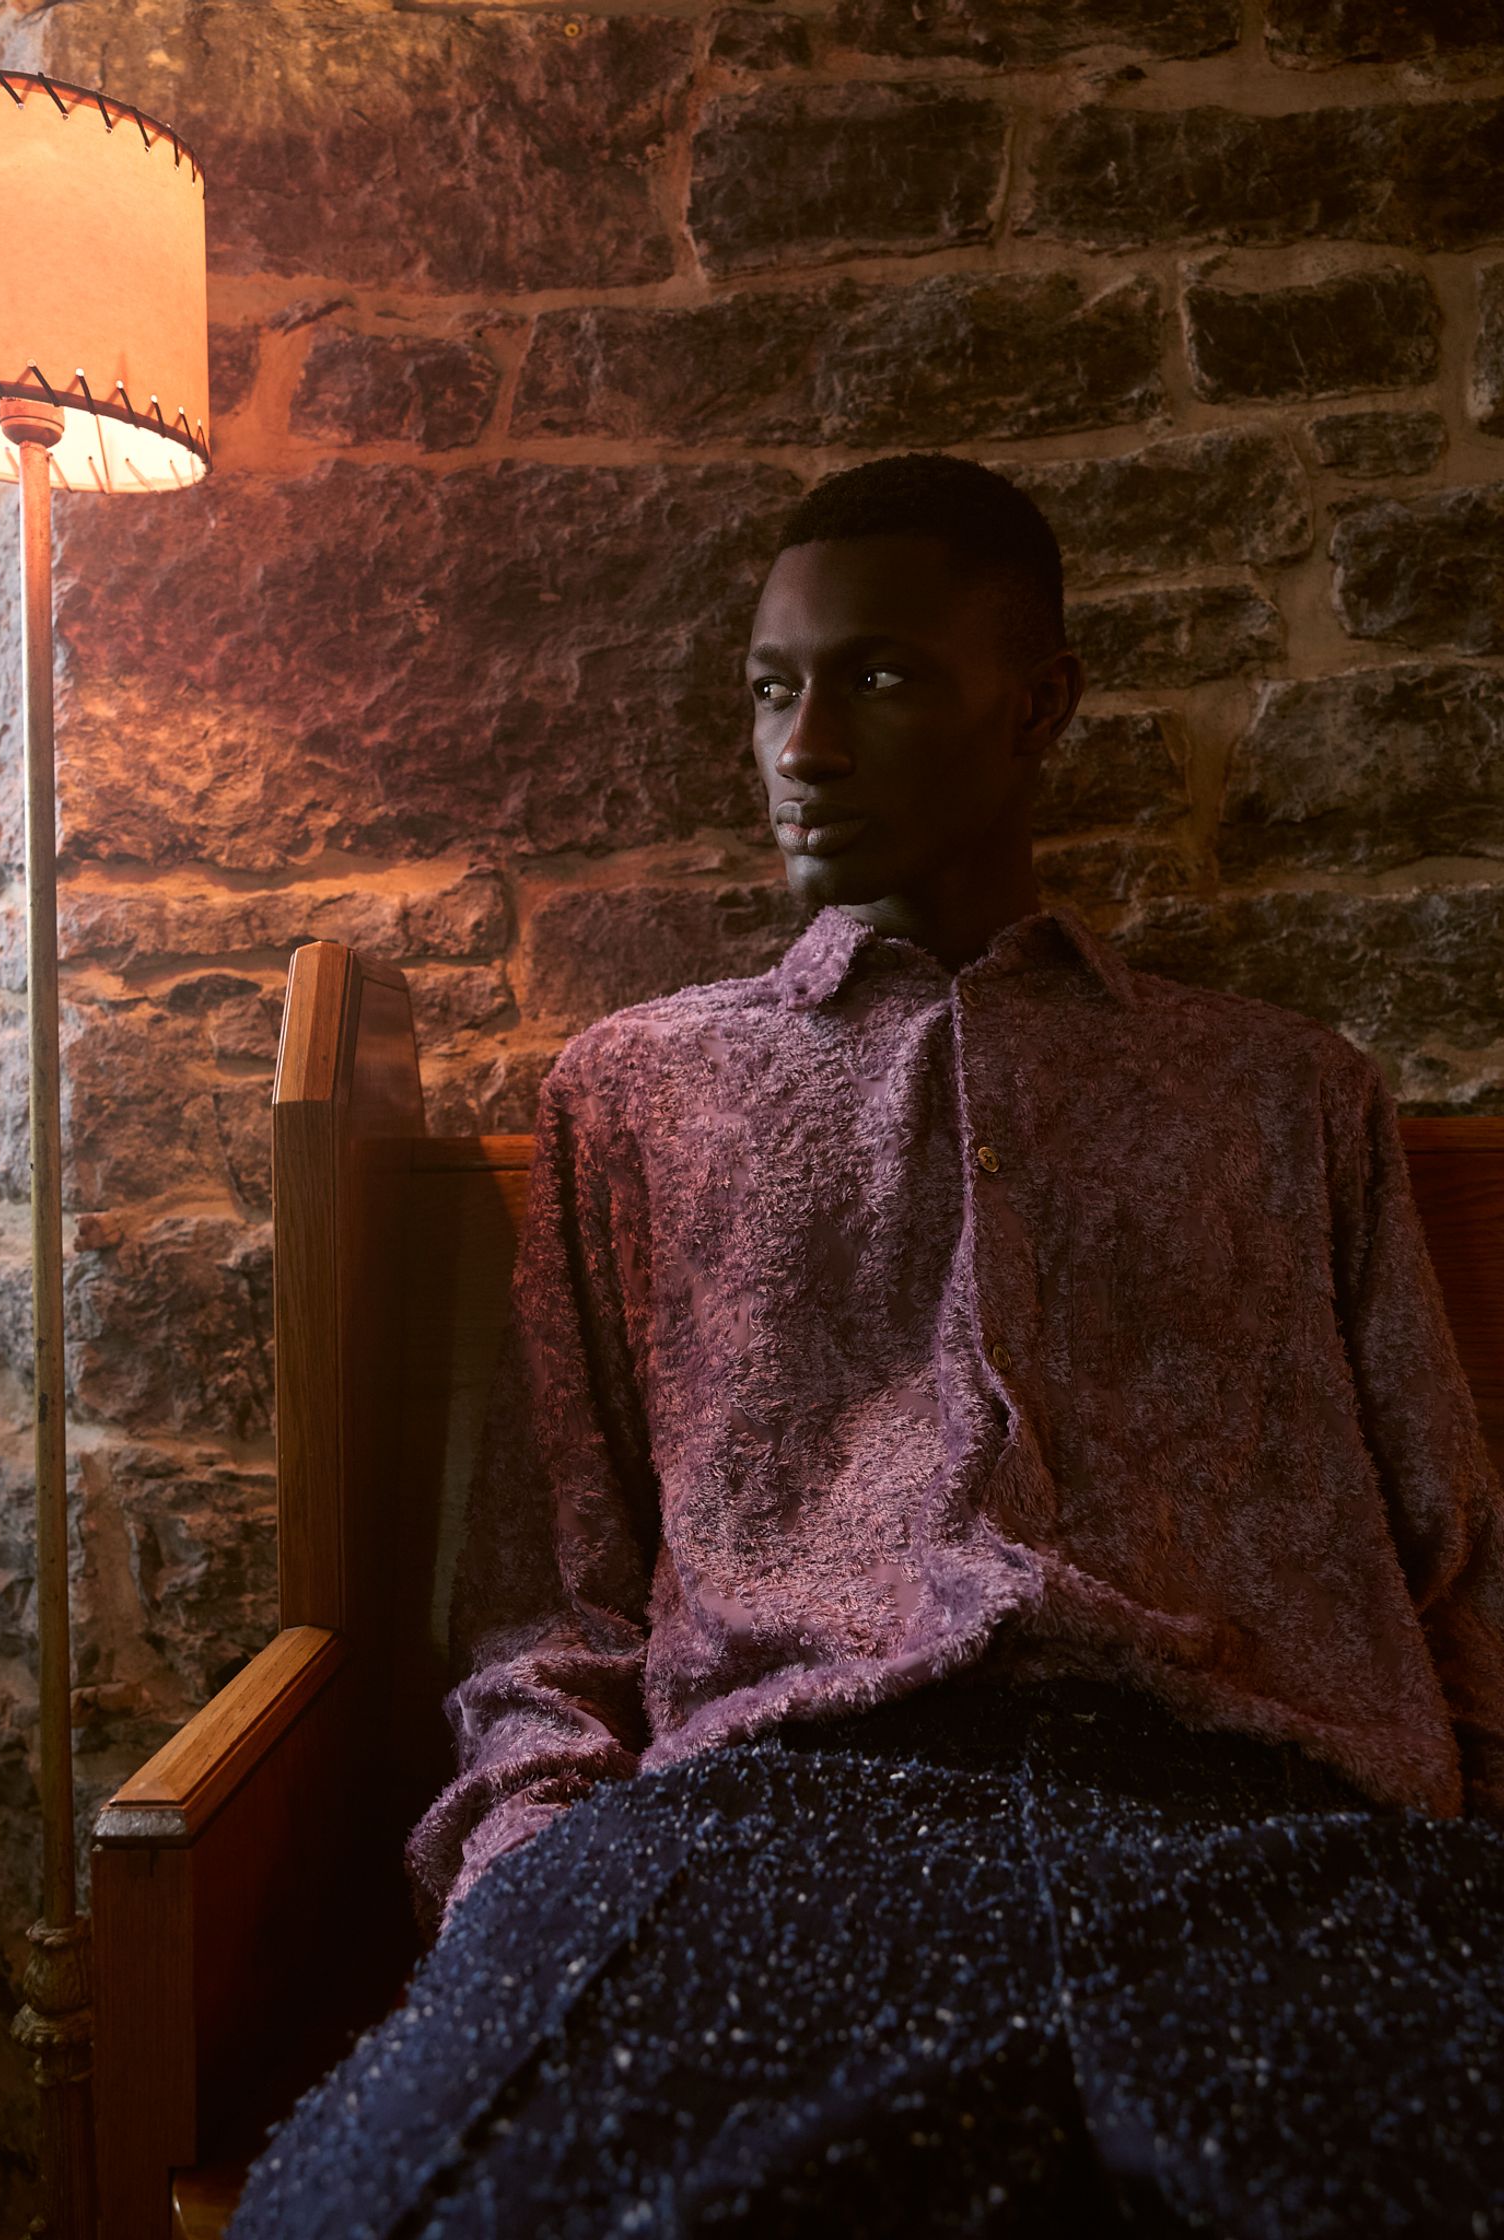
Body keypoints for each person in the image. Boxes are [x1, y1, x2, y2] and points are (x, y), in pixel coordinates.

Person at [229, 454, 1504, 2238]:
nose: (802, 743)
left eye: (880, 677)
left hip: (1260, 1832)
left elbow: (1453, 1565)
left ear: (1038, 704)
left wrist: (1447, 1865)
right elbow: (554, 1599)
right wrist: (534, 1876)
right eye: (772, 689)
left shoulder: (1281, 1095)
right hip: (772, 1821)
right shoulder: (642, 1096)